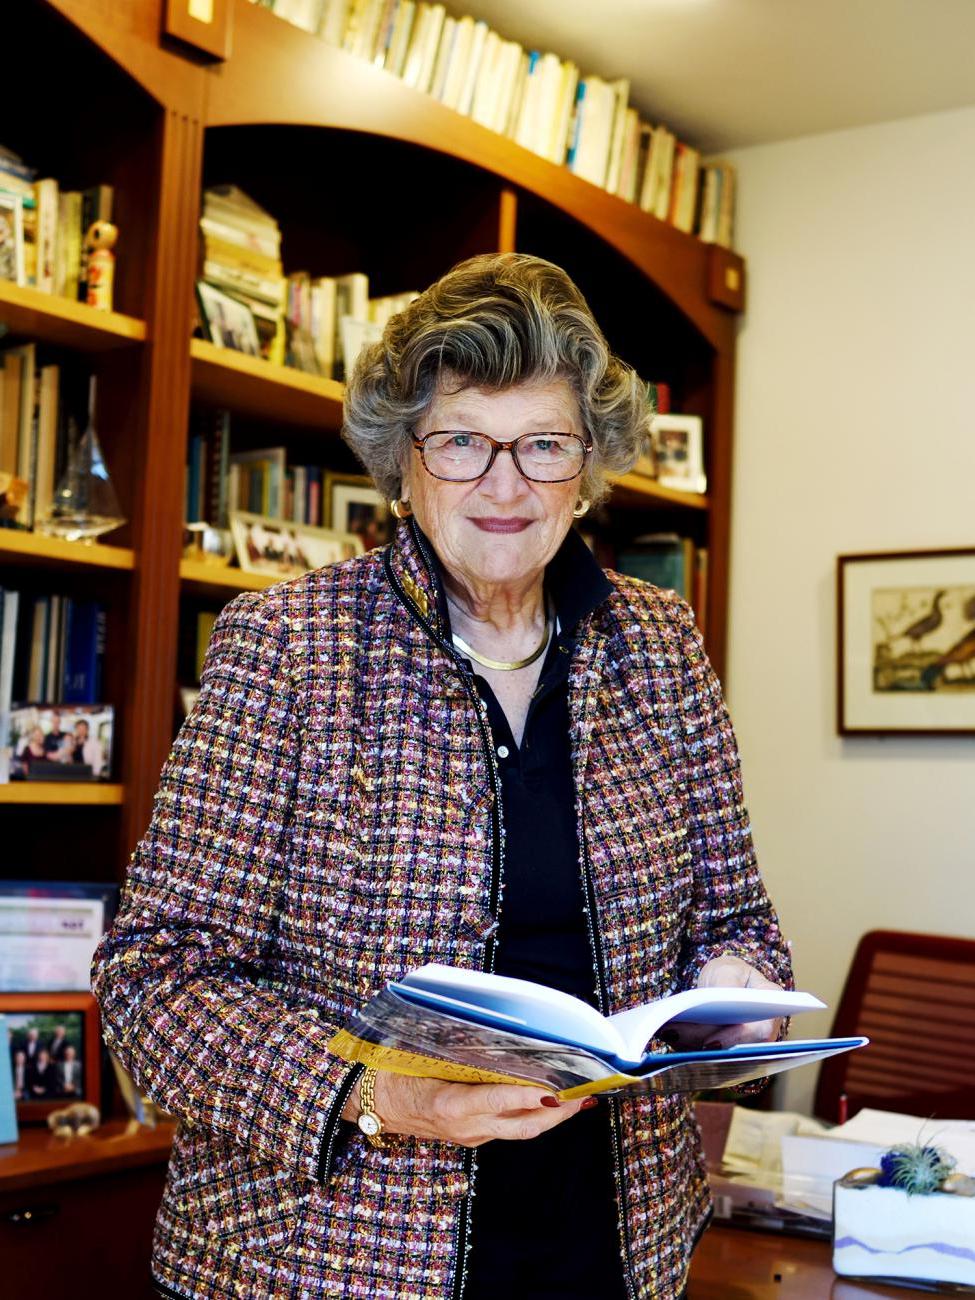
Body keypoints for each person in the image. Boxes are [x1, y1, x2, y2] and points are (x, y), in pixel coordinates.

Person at [93, 253, 793, 1300]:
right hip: (323, 1258)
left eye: (543, 446)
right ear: (405, 463)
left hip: (613, 1246)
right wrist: (387, 1095)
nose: (504, 485)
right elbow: (152, 980)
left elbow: (739, 922)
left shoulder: (661, 643)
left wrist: (733, 995)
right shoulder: (289, 646)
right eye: (463, 441)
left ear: (588, 463)